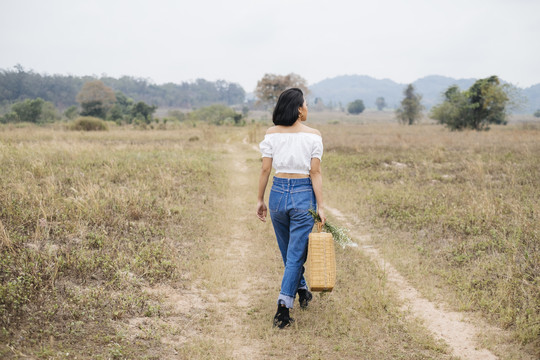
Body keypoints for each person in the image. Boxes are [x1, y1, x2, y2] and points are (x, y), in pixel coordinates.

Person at [256, 88, 326, 329]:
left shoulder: (271, 134)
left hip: (277, 194)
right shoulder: (314, 135)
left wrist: (260, 199)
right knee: (294, 255)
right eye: (305, 104)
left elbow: (265, 169)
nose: (307, 108)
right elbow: (315, 172)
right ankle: (283, 307)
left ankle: (303, 289)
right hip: (302, 194)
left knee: (289, 254)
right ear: (298, 109)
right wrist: (321, 206)